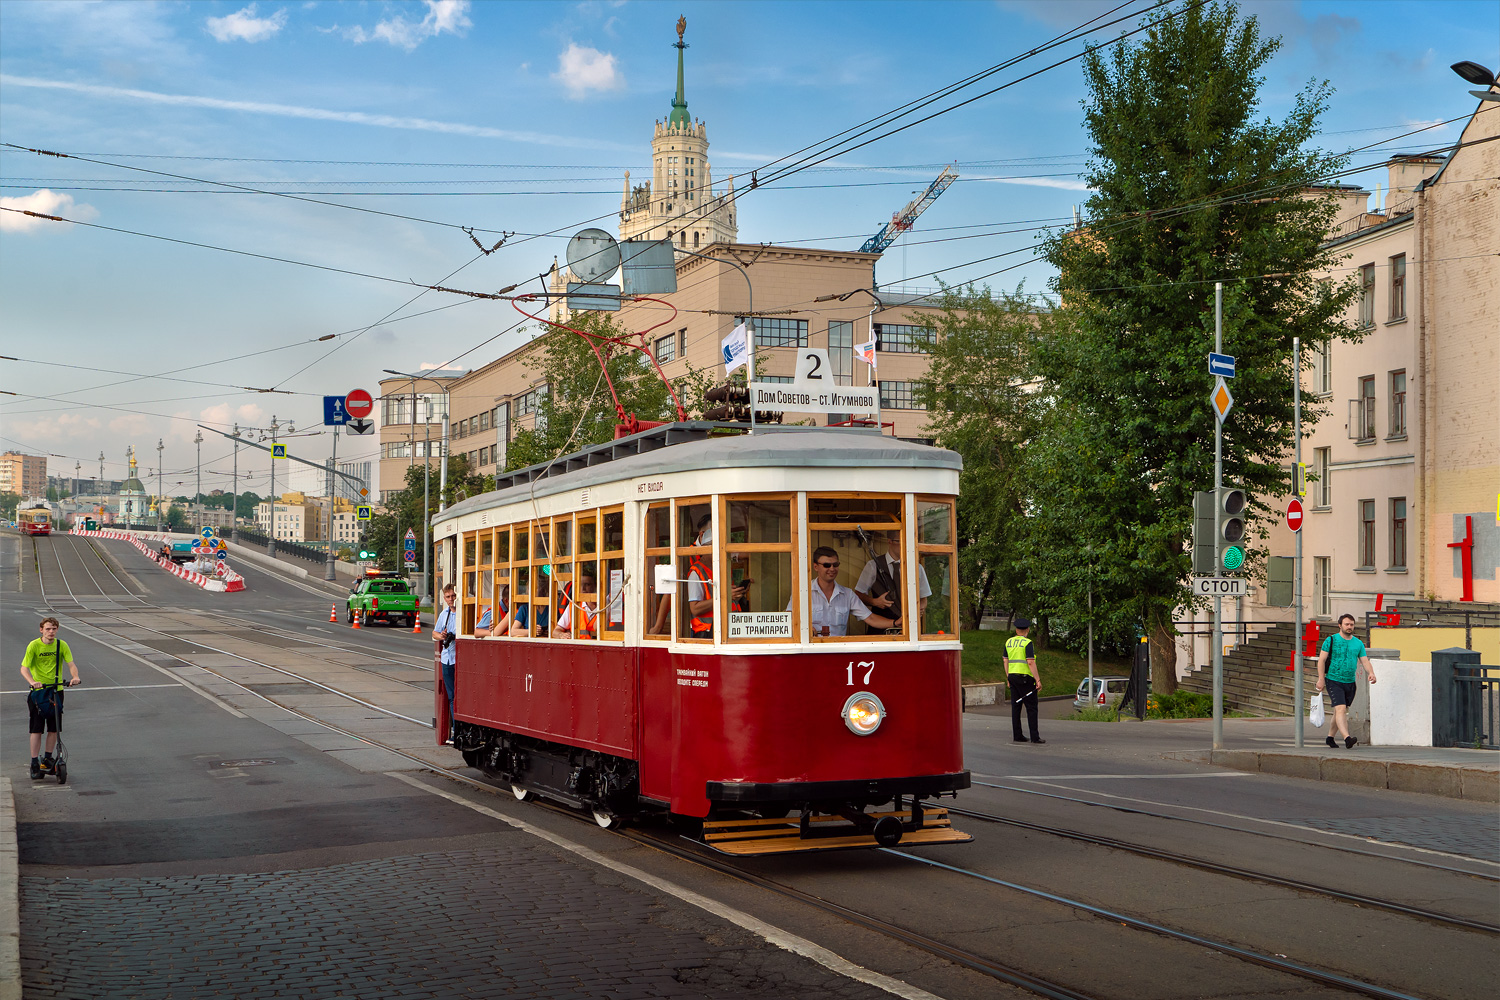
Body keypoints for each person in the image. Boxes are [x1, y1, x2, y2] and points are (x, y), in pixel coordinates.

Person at [21, 617, 81, 779]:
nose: (51, 632)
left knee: (54, 727)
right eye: (48, 629)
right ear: (41, 630)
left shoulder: (62, 645)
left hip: (56, 690)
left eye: (54, 629)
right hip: (39, 692)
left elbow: (71, 664)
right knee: (37, 728)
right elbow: (24, 668)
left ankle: (47, 758)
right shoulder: (34, 646)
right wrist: (33, 682)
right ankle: (34, 760)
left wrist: (74, 677)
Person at [799, 547, 898, 637]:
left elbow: (870, 618)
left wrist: (895, 623)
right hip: (811, 651)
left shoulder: (847, 594)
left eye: (835, 564)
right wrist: (804, 629)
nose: (832, 569)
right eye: (827, 565)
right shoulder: (803, 591)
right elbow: (789, 618)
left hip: (838, 651)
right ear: (815, 567)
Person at [1316, 612, 1377, 749]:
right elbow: (1322, 660)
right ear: (1340, 625)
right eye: (1346, 624)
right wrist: (1321, 679)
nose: (1349, 627)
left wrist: (1371, 673)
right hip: (1333, 680)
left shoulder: (1358, 643)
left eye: (1351, 624)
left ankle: (1330, 738)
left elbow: (1365, 661)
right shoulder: (1331, 640)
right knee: (1341, 709)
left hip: (1350, 682)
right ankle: (1347, 738)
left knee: (1339, 711)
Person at [683, 515, 747, 638]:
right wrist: (726, 596)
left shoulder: (722, 566)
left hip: (727, 628)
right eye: (720, 548)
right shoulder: (695, 571)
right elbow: (695, 609)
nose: (724, 552)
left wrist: (736, 593)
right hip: (707, 634)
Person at [854, 530, 931, 632]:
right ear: (889, 541)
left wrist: (918, 610)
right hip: (879, 631)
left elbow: (923, 599)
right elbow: (858, 595)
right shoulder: (873, 565)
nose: (905, 545)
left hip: (908, 631)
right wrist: (874, 602)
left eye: (908, 542)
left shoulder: (916, 567)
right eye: (900, 541)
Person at [1006, 618, 1045, 744]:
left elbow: (1005, 660)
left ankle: (1017, 735)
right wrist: (1038, 680)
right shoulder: (1027, 643)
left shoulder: (1009, 642)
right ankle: (1035, 737)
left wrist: (1008, 677)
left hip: (1012, 677)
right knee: (1031, 707)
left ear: (1016, 630)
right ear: (1027, 630)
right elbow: (1030, 661)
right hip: (1025, 678)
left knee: (1016, 706)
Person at [433, 584, 459, 740]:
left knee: (459, 695)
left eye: (453, 596)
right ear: (444, 598)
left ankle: (458, 729)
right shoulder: (445, 614)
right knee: (452, 696)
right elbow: (434, 633)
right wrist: (442, 636)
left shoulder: (462, 614)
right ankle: (455, 729)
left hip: (459, 658)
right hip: (447, 658)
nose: (451, 599)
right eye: (448, 597)